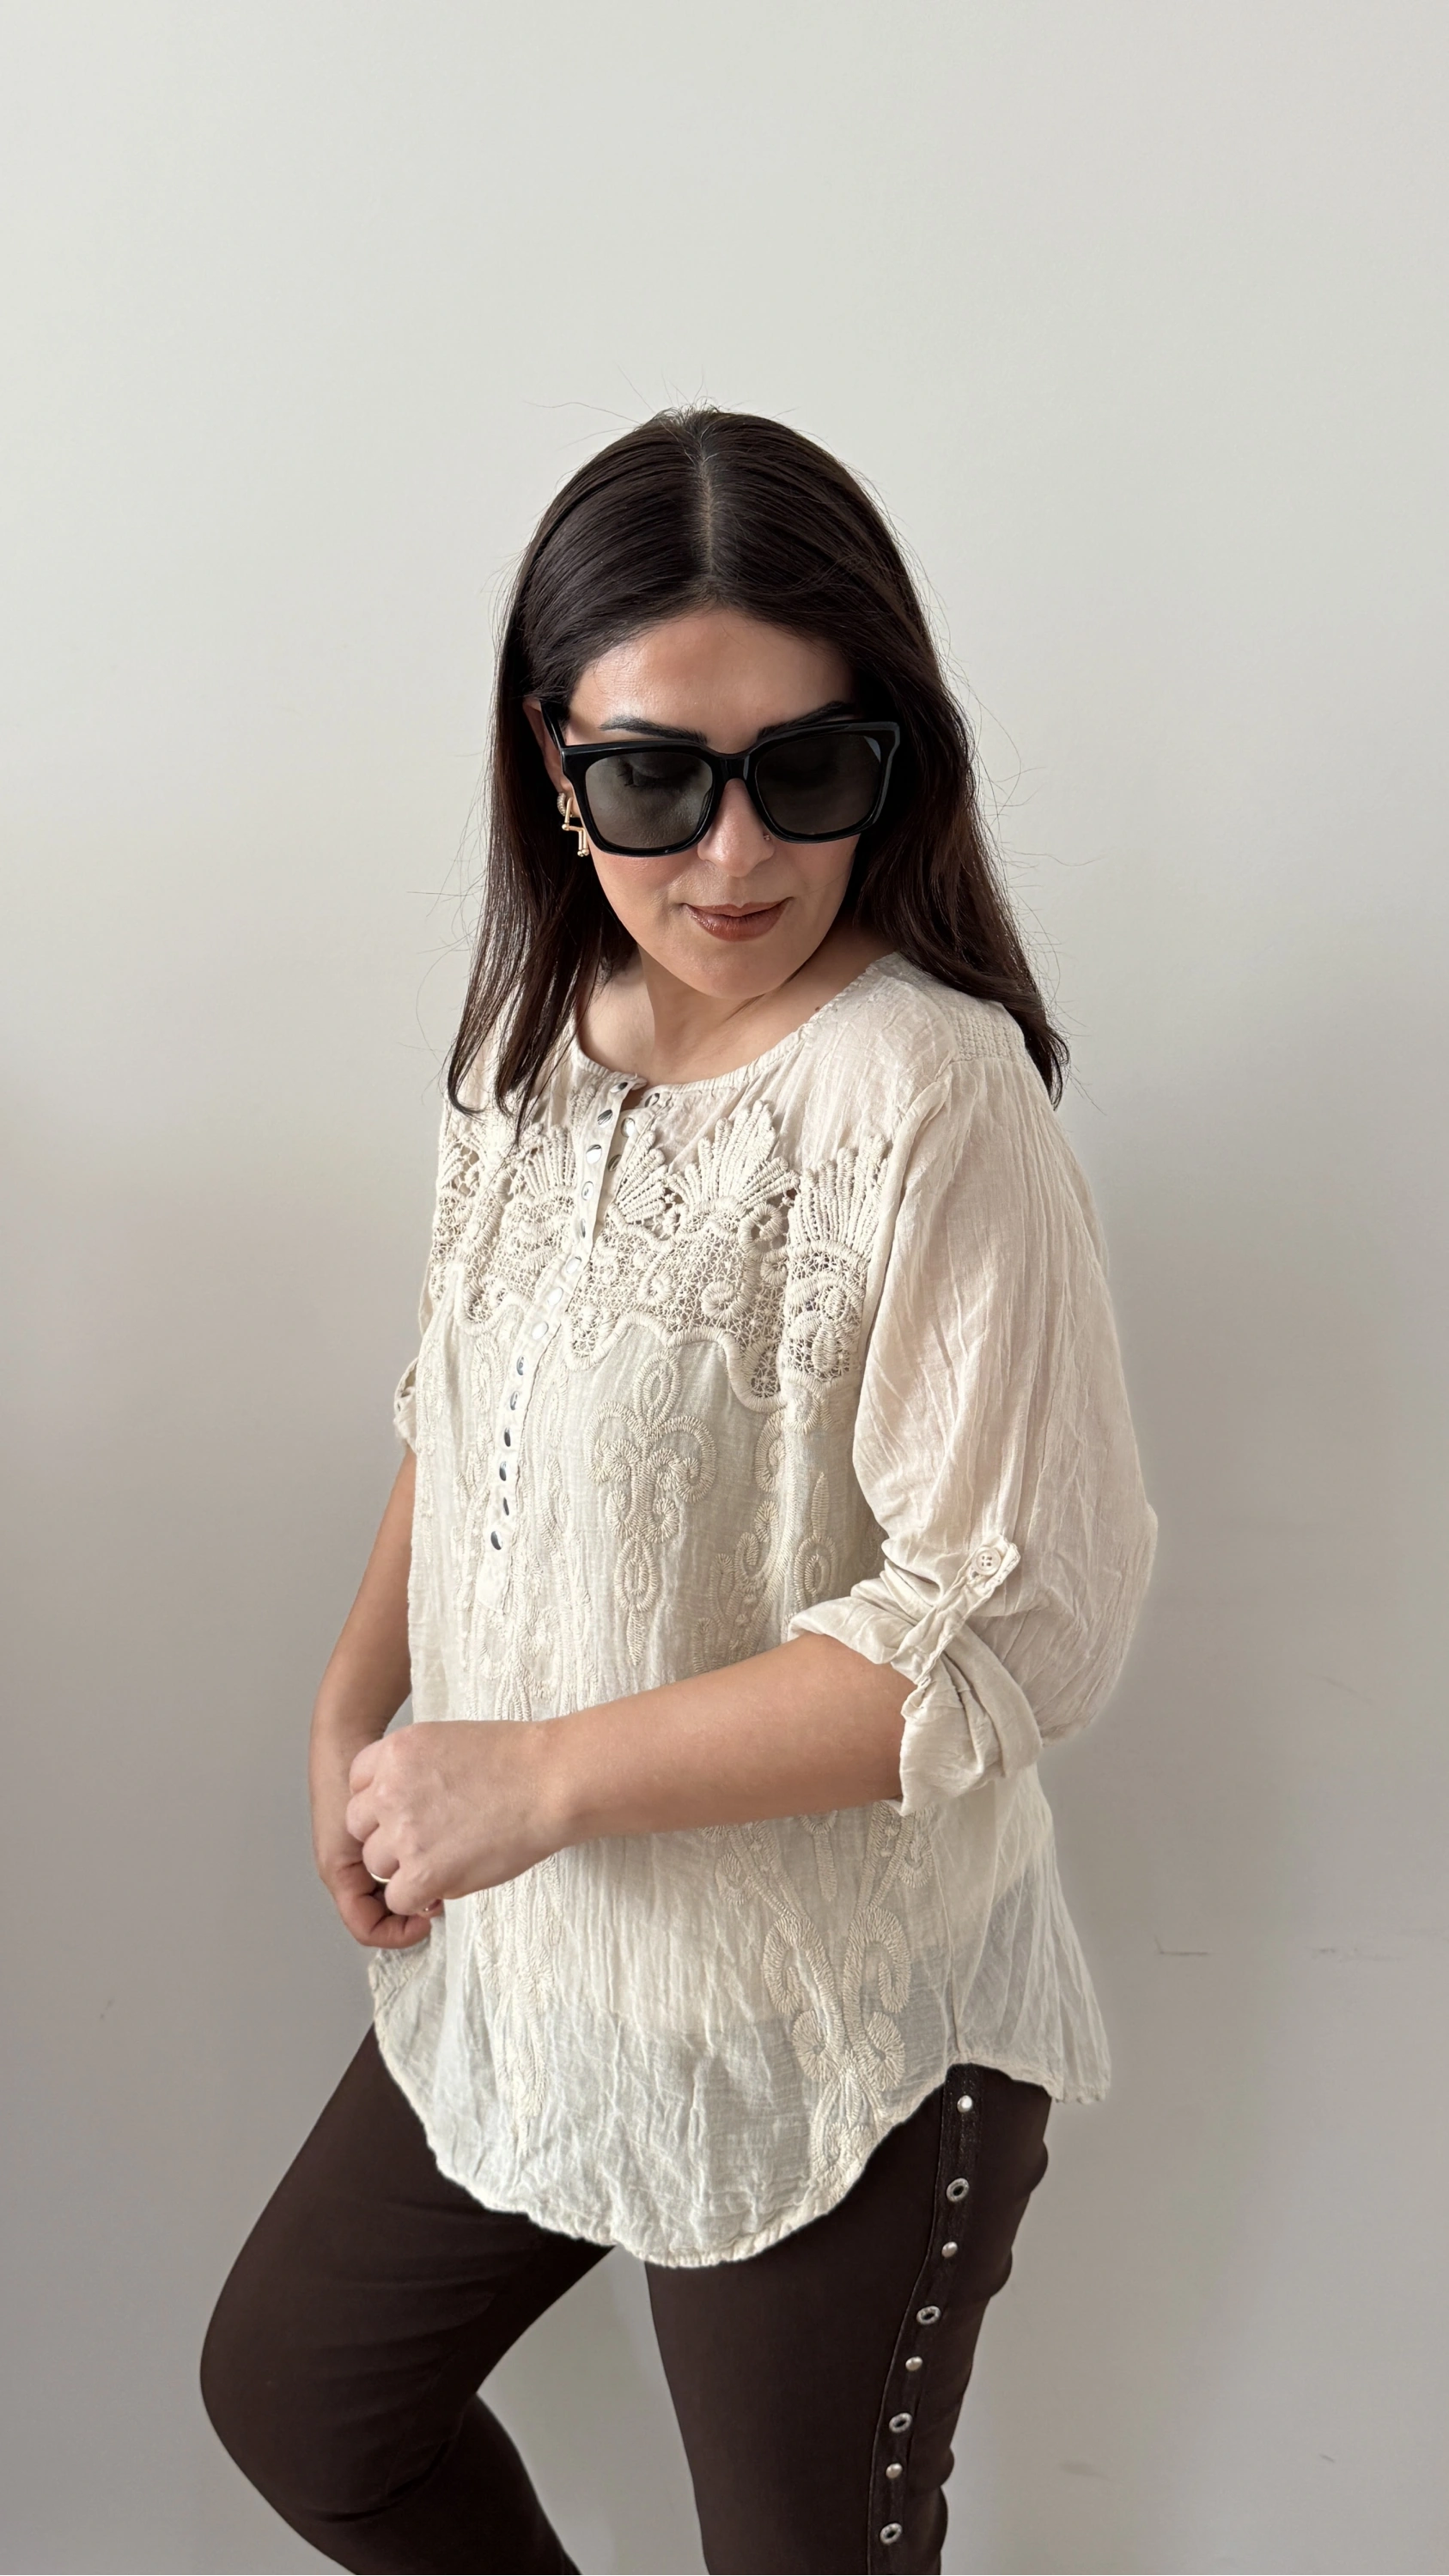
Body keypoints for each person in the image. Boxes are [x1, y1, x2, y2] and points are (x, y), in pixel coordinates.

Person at [200, 406, 1156, 2576]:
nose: (735, 855)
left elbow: (1011, 1629)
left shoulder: (931, 1092)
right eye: (656, 778)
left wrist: (536, 1775)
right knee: (303, 2402)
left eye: (806, 770)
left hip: (841, 2023)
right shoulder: (533, 1049)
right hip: (538, 1971)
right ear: (555, 762)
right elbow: (464, 1412)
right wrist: (351, 1704)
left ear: (893, 762)